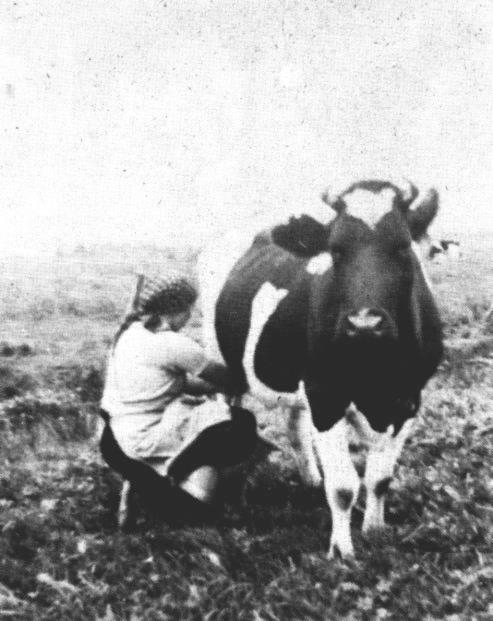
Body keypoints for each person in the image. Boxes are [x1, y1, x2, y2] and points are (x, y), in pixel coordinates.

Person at [99, 272, 258, 527]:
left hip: (113, 440)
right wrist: (251, 371)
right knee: (241, 425)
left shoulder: (130, 334)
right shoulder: (174, 345)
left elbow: (174, 385)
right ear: (176, 310)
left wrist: (204, 388)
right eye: (188, 309)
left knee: (198, 418)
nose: (189, 316)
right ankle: (179, 480)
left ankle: (158, 484)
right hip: (141, 442)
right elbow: (230, 380)